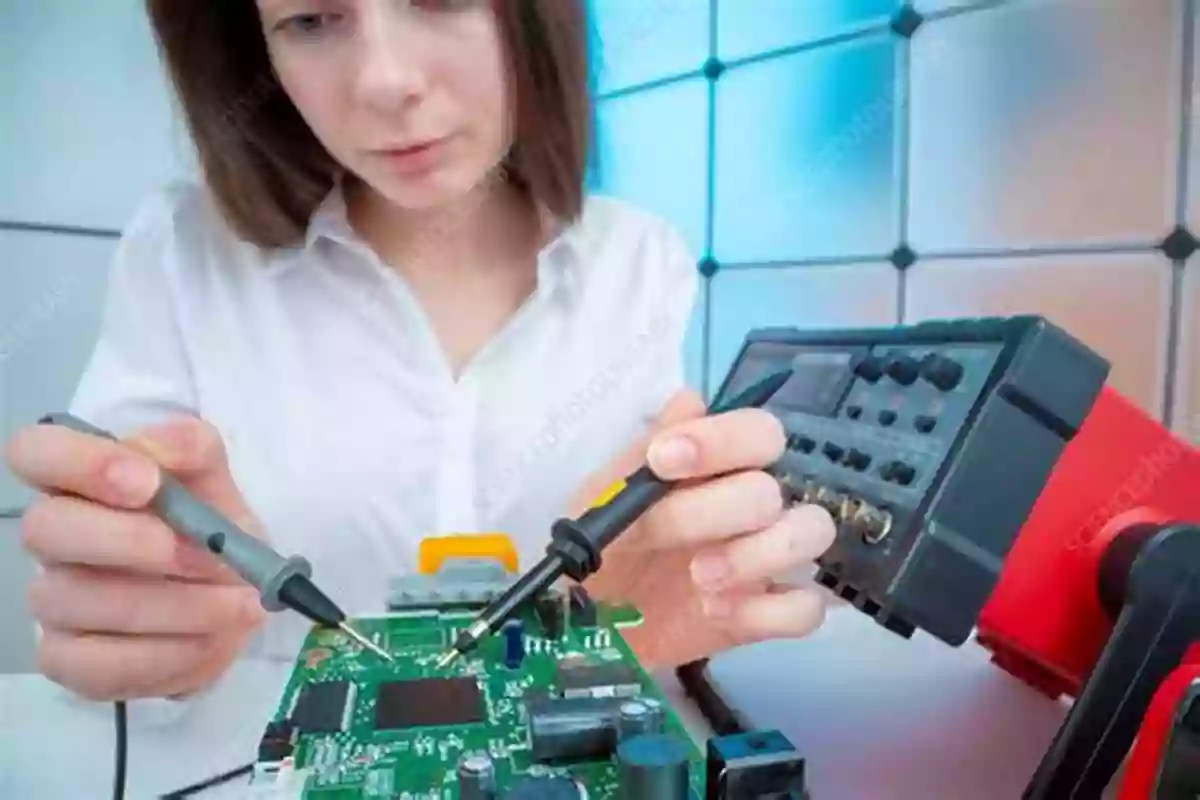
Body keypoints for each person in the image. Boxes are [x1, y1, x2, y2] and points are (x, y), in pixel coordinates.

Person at [5, 0, 836, 705]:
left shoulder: (642, 260)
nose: (383, 81)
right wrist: (147, 631)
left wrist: (673, 593)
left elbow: (653, 592)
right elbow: (99, 594)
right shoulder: (183, 248)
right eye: (312, 18)